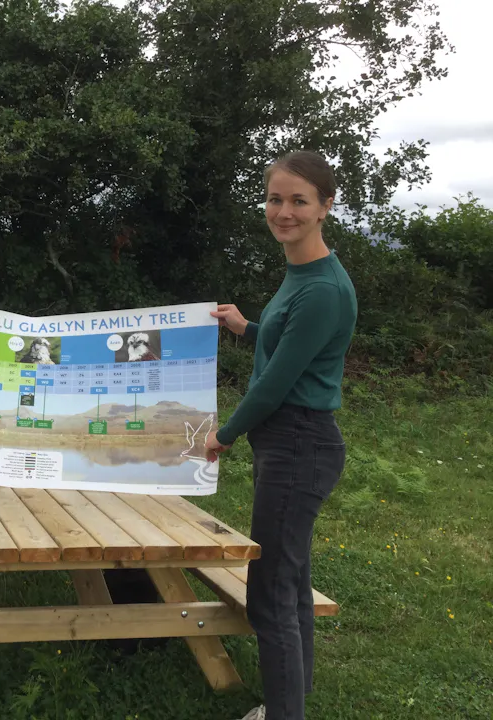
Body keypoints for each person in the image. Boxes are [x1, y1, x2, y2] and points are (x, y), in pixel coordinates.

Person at [205, 151, 357, 720]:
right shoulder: (303, 273)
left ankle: (285, 712)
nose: (284, 211)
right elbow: (285, 341)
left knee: (269, 586)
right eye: (276, 199)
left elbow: (275, 383)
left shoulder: (322, 289)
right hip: (291, 443)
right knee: (289, 579)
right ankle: (294, 694)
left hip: (298, 443)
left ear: (325, 208)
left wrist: (224, 435)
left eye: (299, 201)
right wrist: (244, 326)